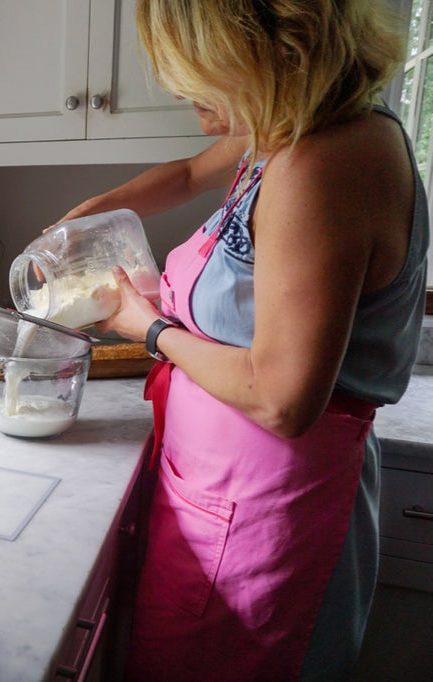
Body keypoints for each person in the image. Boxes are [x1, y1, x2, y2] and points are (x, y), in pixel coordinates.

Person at [54, 1, 429, 680]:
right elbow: (191, 174)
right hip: (219, 490)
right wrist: (97, 213)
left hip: (271, 511)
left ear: (254, 50)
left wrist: (149, 328)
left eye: (188, 68)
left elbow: (282, 399)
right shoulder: (291, 124)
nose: (175, 88)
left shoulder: (325, 163)